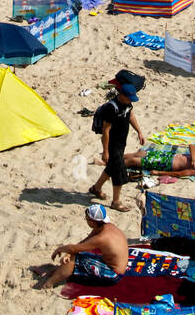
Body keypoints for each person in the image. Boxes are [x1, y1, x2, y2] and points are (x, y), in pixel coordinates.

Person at [33, 204, 130, 289]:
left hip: (114, 275)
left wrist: (60, 249)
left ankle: (48, 285)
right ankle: (52, 274)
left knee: (73, 260)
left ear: (92, 222)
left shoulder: (102, 237)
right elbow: (84, 242)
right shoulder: (104, 226)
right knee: (74, 256)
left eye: (87, 219)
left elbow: (74, 249)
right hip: (112, 264)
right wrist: (68, 254)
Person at [87, 79, 144, 212]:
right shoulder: (111, 108)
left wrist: (139, 131)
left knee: (112, 168)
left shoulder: (127, 104)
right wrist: (105, 151)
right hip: (112, 144)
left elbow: (131, 116)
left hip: (121, 142)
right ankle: (116, 202)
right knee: (118, 172)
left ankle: (96, 188)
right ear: (122, 95)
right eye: (129, 98)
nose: (131, 101)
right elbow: (106, 131)